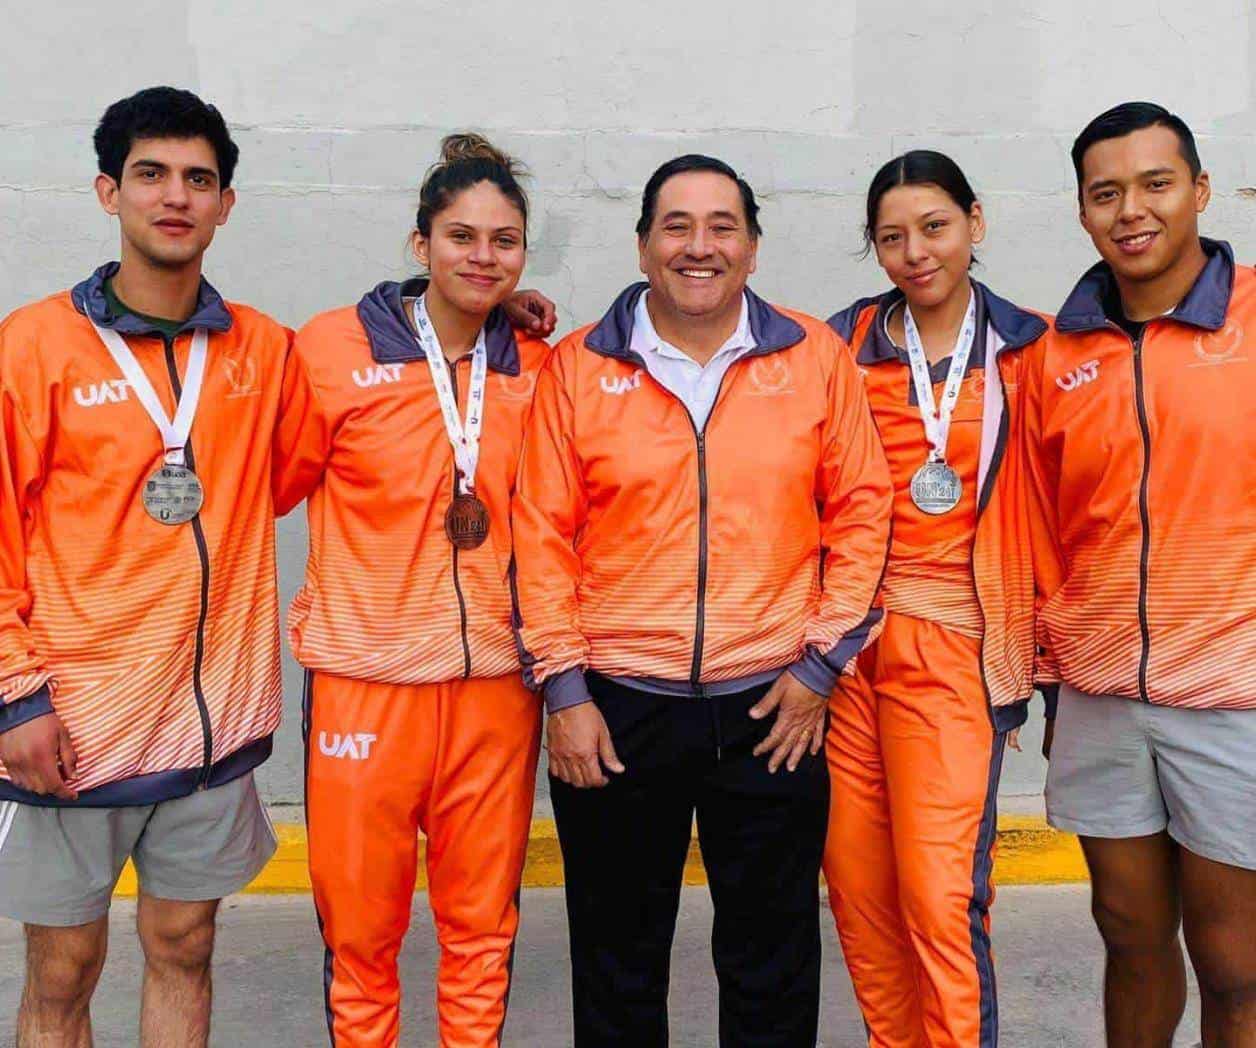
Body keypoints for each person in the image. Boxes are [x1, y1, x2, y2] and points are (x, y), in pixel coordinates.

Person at [511, 153, 893, 1047]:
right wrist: (565, 693)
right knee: (617, 956)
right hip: (615, 708)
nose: (700, 246)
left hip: (774, 704)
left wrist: (822, 666)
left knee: (772, 958)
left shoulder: (813, 357)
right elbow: (540, 534)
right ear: (643, 244)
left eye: (723, 226)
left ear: (753, 248)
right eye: (676, 226)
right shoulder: (578, 367)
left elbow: (865, 513)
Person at [0, 86, 320, 1048]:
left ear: (226, 204)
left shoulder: (263, 350)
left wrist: (482, 306)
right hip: (75, 724)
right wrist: (15, 697)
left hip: (209, 723)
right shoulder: (33, 346)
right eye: (151, 175)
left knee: (185, 943)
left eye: (198, 179)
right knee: (65, 966)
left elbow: (331, 438)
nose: (175, 196)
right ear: (109, 192)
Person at [288, 134, 552, 1048]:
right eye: (461, 236)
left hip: (495, 693)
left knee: (482, 931)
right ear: (420, 244)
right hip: (366, 685)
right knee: (363, 938)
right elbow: (271, 481)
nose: (482, 257)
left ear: (523, 254)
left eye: (504, 240)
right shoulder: (330, 349)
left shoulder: (536, 365)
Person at [1024, 101, 1256, 1047]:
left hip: (1235, 693)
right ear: (1082, 211)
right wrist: (1050, 671)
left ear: (1199, 190)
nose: (1133, 210)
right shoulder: (1054, 354)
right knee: (1127, 935)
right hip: (1102, 692)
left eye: (1156, 184)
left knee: (1235, 959)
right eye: (1105, 192)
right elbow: (1042, 525)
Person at [824, 151, 1050, 1048]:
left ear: (976, 224)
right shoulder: (836, 346)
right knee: (855, 883)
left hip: (958, 646)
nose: (915, 251)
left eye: (935, 227)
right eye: (891, 236)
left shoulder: (1035, 350)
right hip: (849, 649)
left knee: (939, 892)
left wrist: (1048, 659)